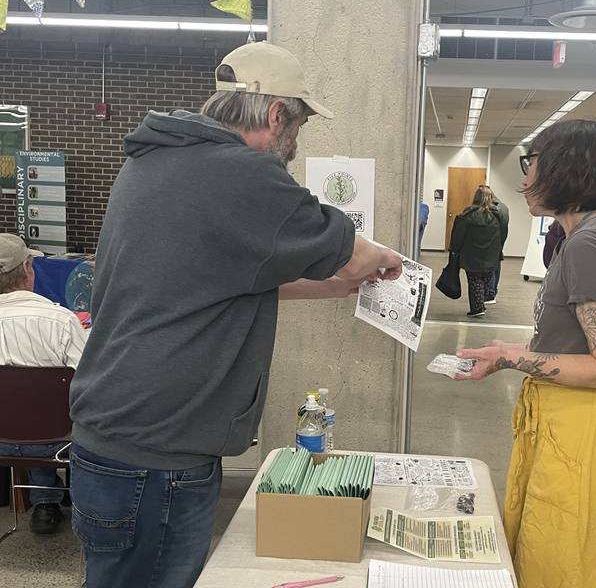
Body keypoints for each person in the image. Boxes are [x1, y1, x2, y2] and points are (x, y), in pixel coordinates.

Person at [68, 41, 402, 588]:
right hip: (159, 453)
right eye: (298, 126)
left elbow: (220, 282)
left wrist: (338, 288)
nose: (296, 142)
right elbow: (343, 239)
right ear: (276, 115)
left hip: (116, 434)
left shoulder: (158, 162)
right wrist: (384, 262)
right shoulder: (239, 173)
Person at [455, 120, 596, 588]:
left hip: (583, 431)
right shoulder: (589, 237)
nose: (523, 180)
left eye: (531, 165)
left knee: (559, 567)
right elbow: (574, 346)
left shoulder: (591, 246)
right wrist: (508, 352)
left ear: (564, 169)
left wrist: (513, 358)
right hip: (571, 424)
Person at [0, 233, 87, 534]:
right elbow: (87, 382)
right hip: (60, 443)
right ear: (27, 268)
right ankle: (82, 502)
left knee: (24, 418)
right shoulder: (61, 321)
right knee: (58, 418)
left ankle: (45, 503)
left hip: (3, 439)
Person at [449, 185, 503, 317]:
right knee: (486, 279)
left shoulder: (468, 215)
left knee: (474, 280)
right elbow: (502, 235)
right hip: (490, 255)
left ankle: (477, 308)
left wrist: (454, 249)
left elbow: (458, 235)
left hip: (472, 255)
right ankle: (483, 302)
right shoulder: (497, 216)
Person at [485, 188, 508, 304]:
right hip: (499, 241)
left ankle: (490, 293)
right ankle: (493, 291)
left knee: (491, 268)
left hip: (492, 242)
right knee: (496, 266)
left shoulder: (492, 209)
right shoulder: (504, 207)